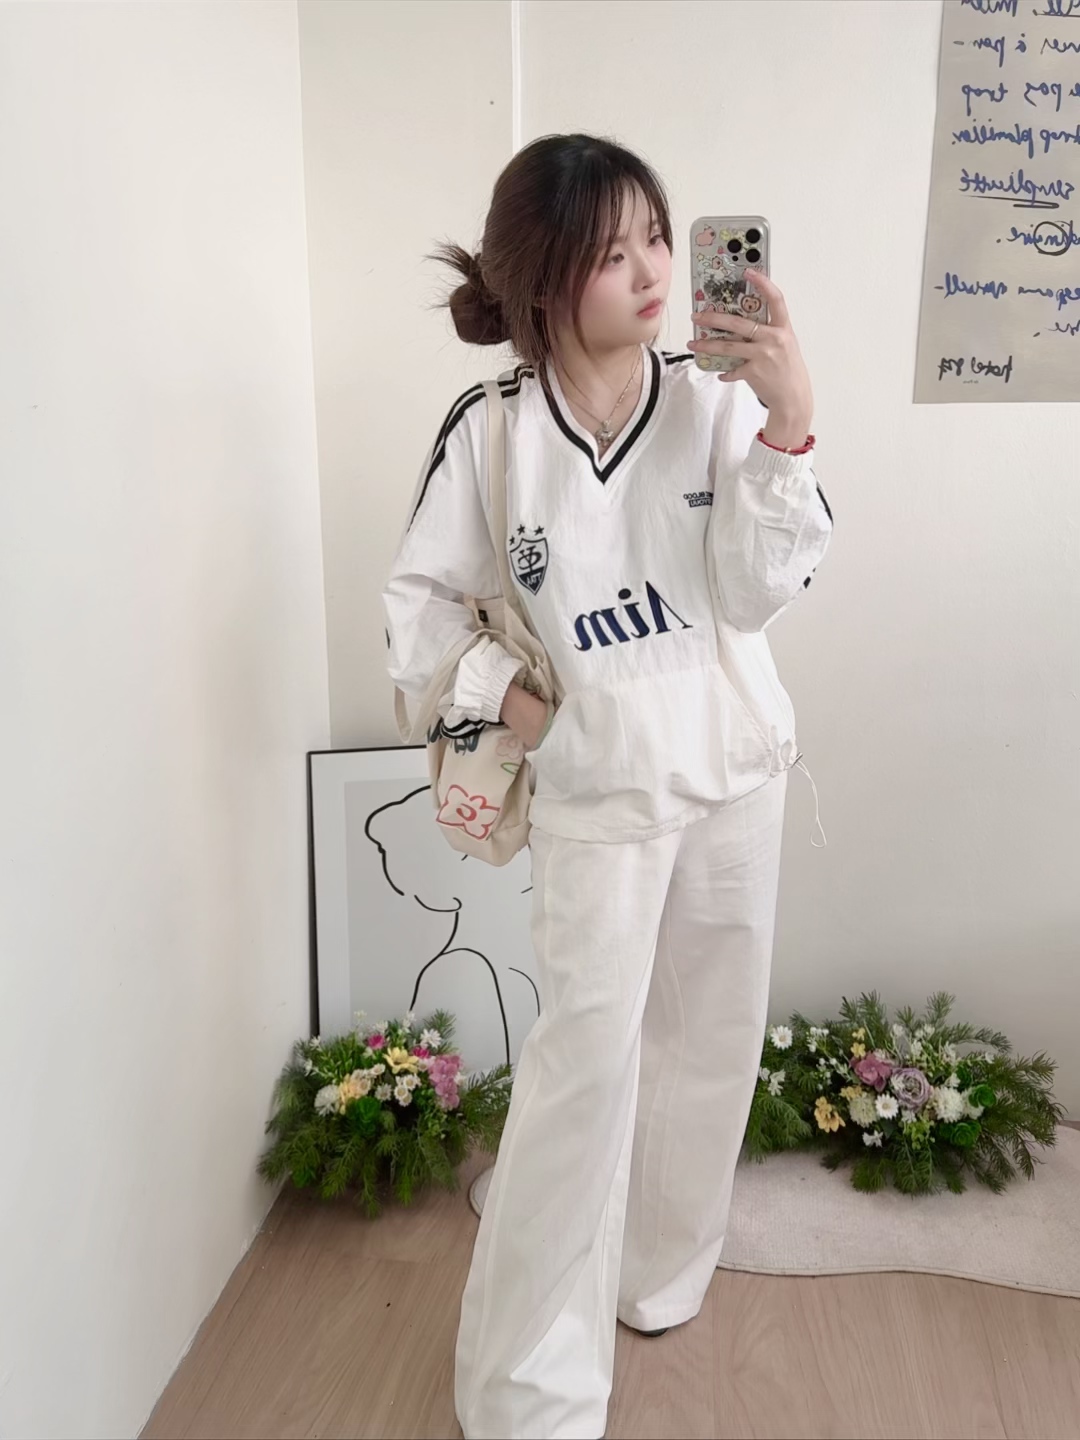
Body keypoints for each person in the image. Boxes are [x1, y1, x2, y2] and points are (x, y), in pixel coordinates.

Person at [381, 133, 833, 1440]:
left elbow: (753, 591)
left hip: (732, 775)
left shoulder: (714, 400)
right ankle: (528, 1386)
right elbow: (417, 614)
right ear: (542, 276)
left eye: (657, 239)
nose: (650, 272)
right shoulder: (494, 433)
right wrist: (518, 705)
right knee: (585, 1071)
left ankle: (658, 1276)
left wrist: (789, 422)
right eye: (612, 250)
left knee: (707, 1047)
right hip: (596, 801)